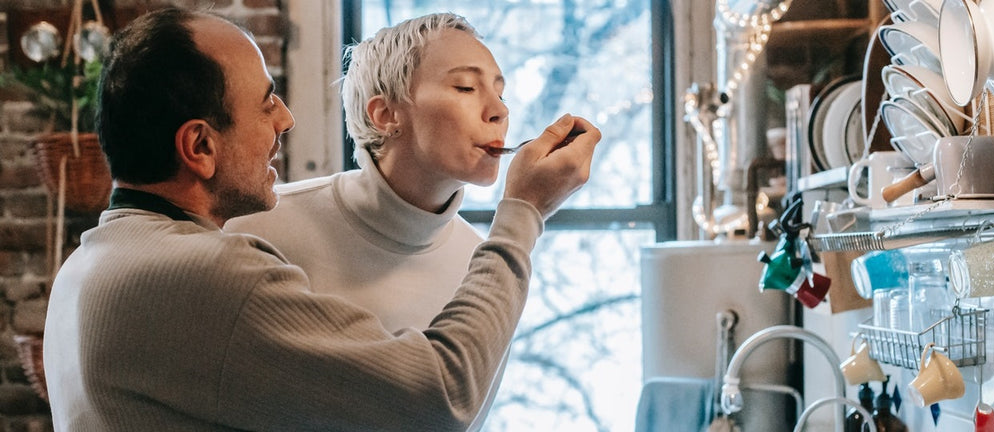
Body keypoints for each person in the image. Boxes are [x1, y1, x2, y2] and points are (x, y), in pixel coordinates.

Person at [42, 7, 600, 432]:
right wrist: (524, 212)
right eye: (266, 104)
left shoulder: (85, 265)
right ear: (199, 146)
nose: (286, 119)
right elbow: (440, 396)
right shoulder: (212, 271)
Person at [224, 14, 539, 429]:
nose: (499, 110)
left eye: (501, 93)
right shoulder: (257, 229)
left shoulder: (488, 267)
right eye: (465, 86)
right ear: (385, 114)